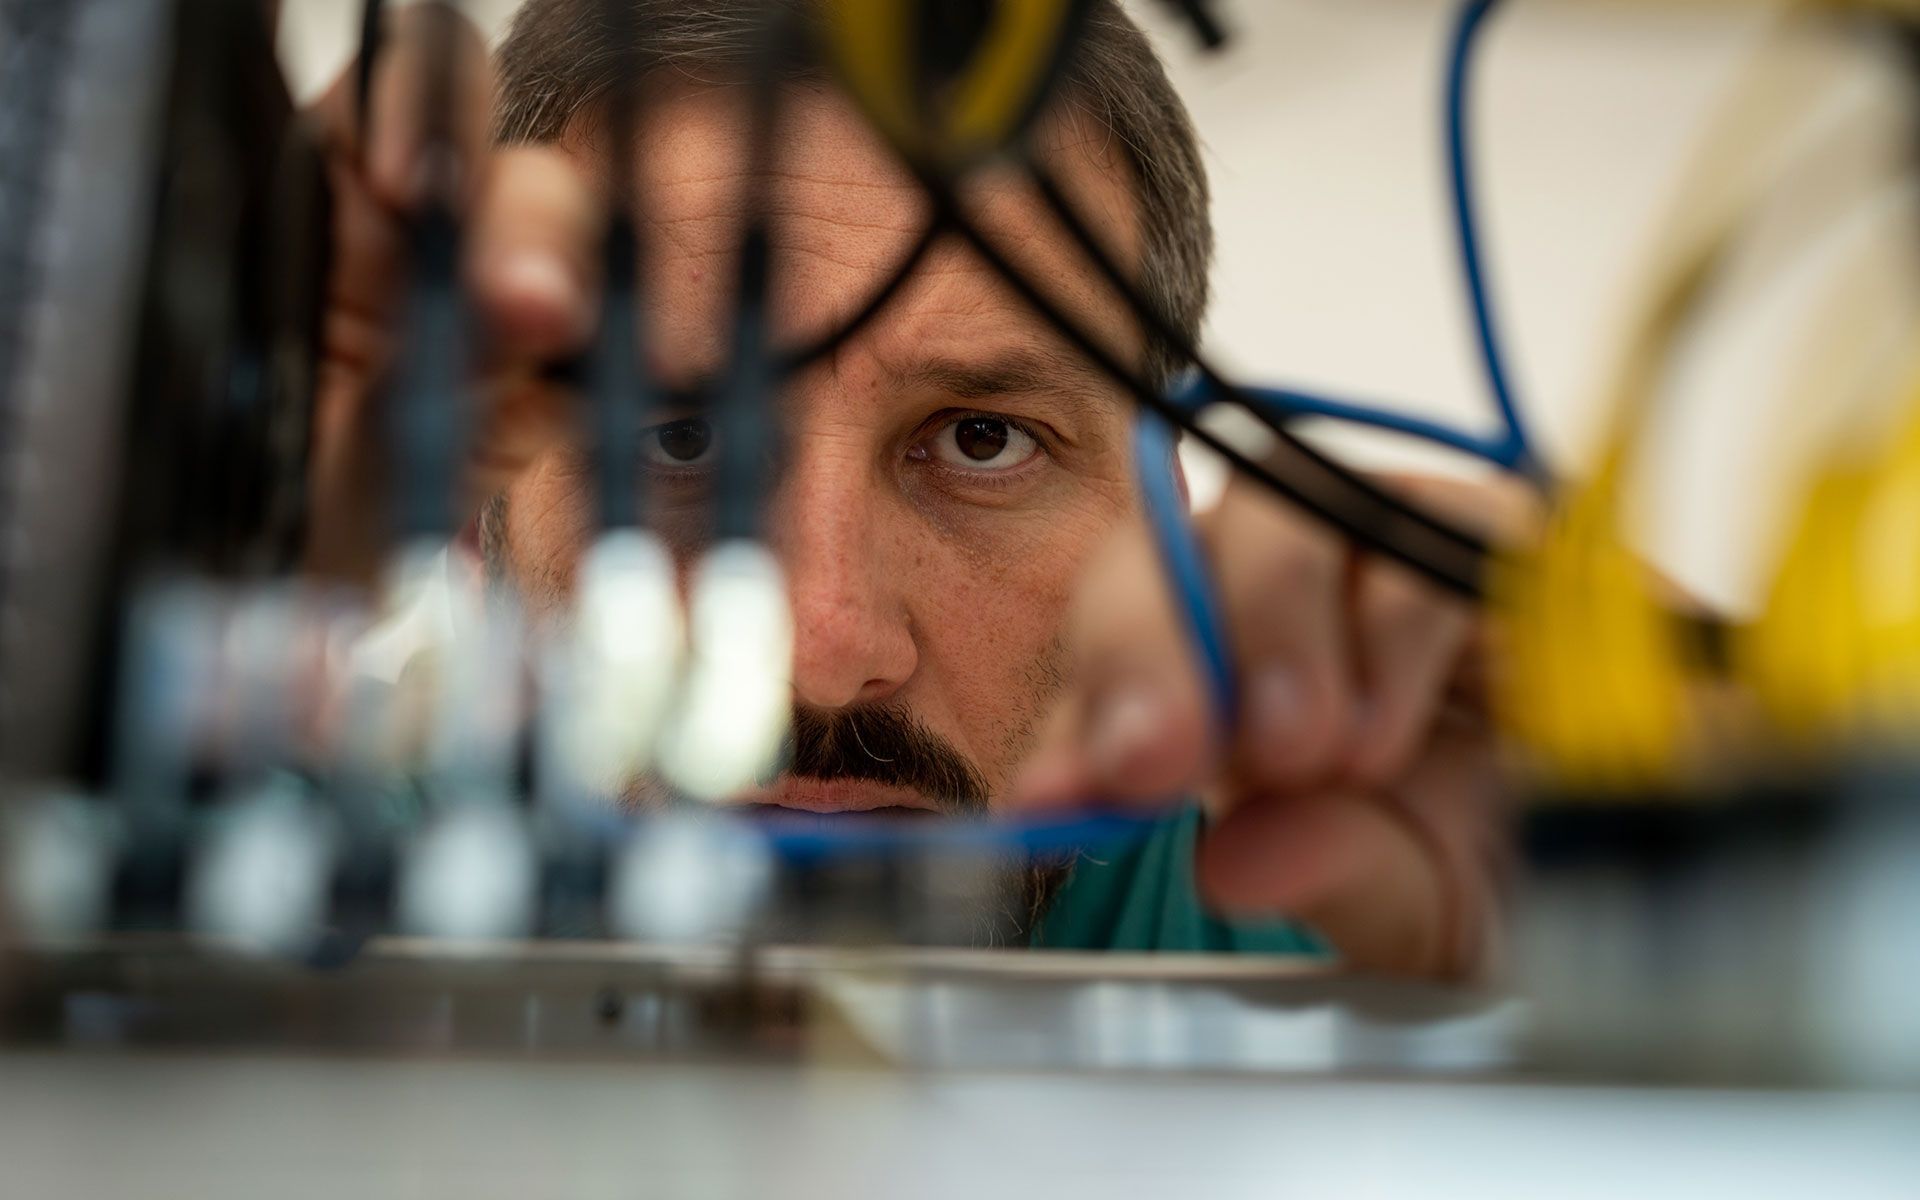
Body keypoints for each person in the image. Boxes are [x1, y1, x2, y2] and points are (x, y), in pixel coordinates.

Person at [305, 0, 1521, 978]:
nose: (825, 652)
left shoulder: (1350, 909)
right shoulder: (295, 904)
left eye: (985, 441)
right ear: (469, 520)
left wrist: (1597, 860)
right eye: (678, 441)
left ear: (1160, 506)